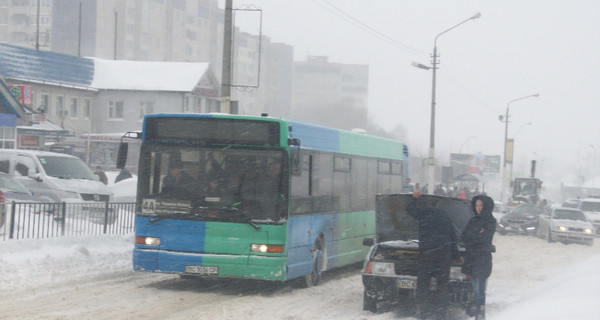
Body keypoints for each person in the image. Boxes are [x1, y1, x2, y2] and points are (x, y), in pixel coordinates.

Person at [407, 189, 458, 320]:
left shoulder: (425, 213)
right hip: (443, 255)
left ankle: (423, 312)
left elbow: (410, 209)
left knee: (423, 284)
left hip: (427, 254)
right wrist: (456, 255)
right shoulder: (445, 215)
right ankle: (441, 314)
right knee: (442, 285)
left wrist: (414, 198)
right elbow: (453, 236)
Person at [461, 194, 497, 320]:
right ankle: (477, 312)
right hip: (471, 260)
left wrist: (473, 236)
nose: (478, 208)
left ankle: (480, 314)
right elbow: (464, 236)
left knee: (479, 289)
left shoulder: (491, 221)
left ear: (486, 206)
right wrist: (476, 234)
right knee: (474, 290)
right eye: (476, 205)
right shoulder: (473, 220)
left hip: (482, 260)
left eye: (481, 205)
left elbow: (484, 238)